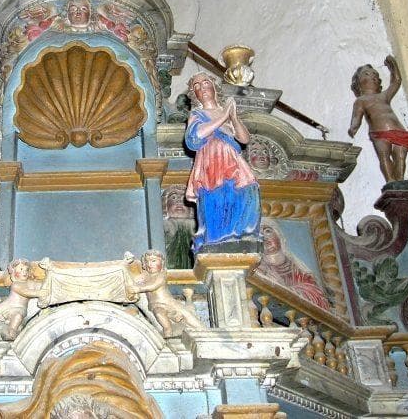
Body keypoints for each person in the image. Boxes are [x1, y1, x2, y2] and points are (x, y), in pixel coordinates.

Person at [184, 73, 260, 249]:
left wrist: (233, 116)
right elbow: (195, 136)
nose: (202, 88)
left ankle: (243, 233)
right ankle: (218, 239)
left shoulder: (224, 112)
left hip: (232, 160)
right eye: (197, 86)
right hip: (212, 161)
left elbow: (244, 138)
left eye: (205, 83)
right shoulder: (197, 113)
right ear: (194, 94)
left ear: (214, 87)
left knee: (248, 190)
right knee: (217, 195)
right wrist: (224, 115)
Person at [348, 55, 408, 182]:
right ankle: (390, 181)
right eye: (366, 74)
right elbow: (357, 117)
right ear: (359, 84)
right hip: (379, 132)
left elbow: (396, 81)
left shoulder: (384, 96)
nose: (372, 76)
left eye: (375, 74)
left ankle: (400, 180)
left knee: (400, 154)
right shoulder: (361, 100)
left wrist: (393, 65)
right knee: (384, 156)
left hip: (398, 130)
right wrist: (353, 127)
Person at [258, 221, 330, 310]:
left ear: (279, 236)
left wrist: (284, 288)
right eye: (259, 234)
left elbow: (319, 297)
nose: (264, 237)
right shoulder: (259, 269)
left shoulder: (299, 269)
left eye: (268, 231)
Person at [132, 250, 204, 337]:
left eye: (153, 261)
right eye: (147, 261)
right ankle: (168, 336)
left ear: (162, 263)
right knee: (163, 320)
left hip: (170, 303)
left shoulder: (161, 275)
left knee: (192, 320)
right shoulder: (145, 275)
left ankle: (204, 332)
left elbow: (153, 286)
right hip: (156, 306)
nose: (150, 264)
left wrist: (138, 289)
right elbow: (134, 279)